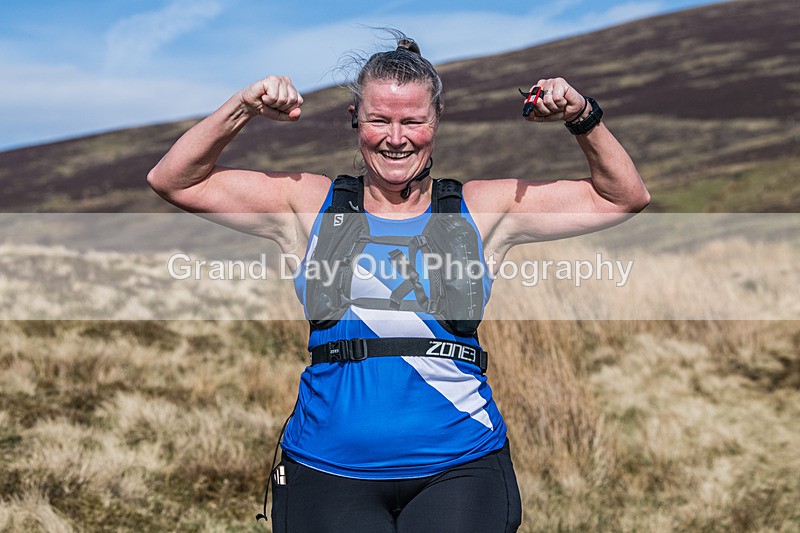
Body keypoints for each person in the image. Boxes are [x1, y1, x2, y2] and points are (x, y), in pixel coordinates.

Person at [148, 32, 649, 533]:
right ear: (355, 120)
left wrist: (582, 116)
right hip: (325, 467)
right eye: (379, 120)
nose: (395, 138)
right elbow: (175, 180)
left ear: (436, 121)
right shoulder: (308, 205)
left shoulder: (479, 209)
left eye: (412, 121)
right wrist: (244, 106)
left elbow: (622, 197)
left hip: (461, 466)